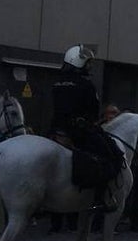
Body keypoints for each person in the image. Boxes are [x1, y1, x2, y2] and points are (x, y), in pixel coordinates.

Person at [51, 45, 119, 212]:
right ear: (79, 62)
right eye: (88, 63)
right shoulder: (85, 84)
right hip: (79, 130)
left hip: (56, 128)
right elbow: (93, 110)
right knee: (112, 155)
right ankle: (100, 198)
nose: (90, 66)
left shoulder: (57, 82)